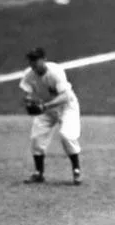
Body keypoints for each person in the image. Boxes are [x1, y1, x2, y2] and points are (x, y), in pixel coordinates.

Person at [18, 47, 82, 185]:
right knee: (37, 137)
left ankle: (76, 171)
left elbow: (65, 96)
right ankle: (38, 173)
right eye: (31, 60)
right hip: (46, 109)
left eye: (36, 60)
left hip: (66, 107)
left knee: (66, 135)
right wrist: (28, 101)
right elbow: (26, 93)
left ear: (44, 60)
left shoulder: (55, 72)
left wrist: (44, 107)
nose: (33, 63)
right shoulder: (29, 75)